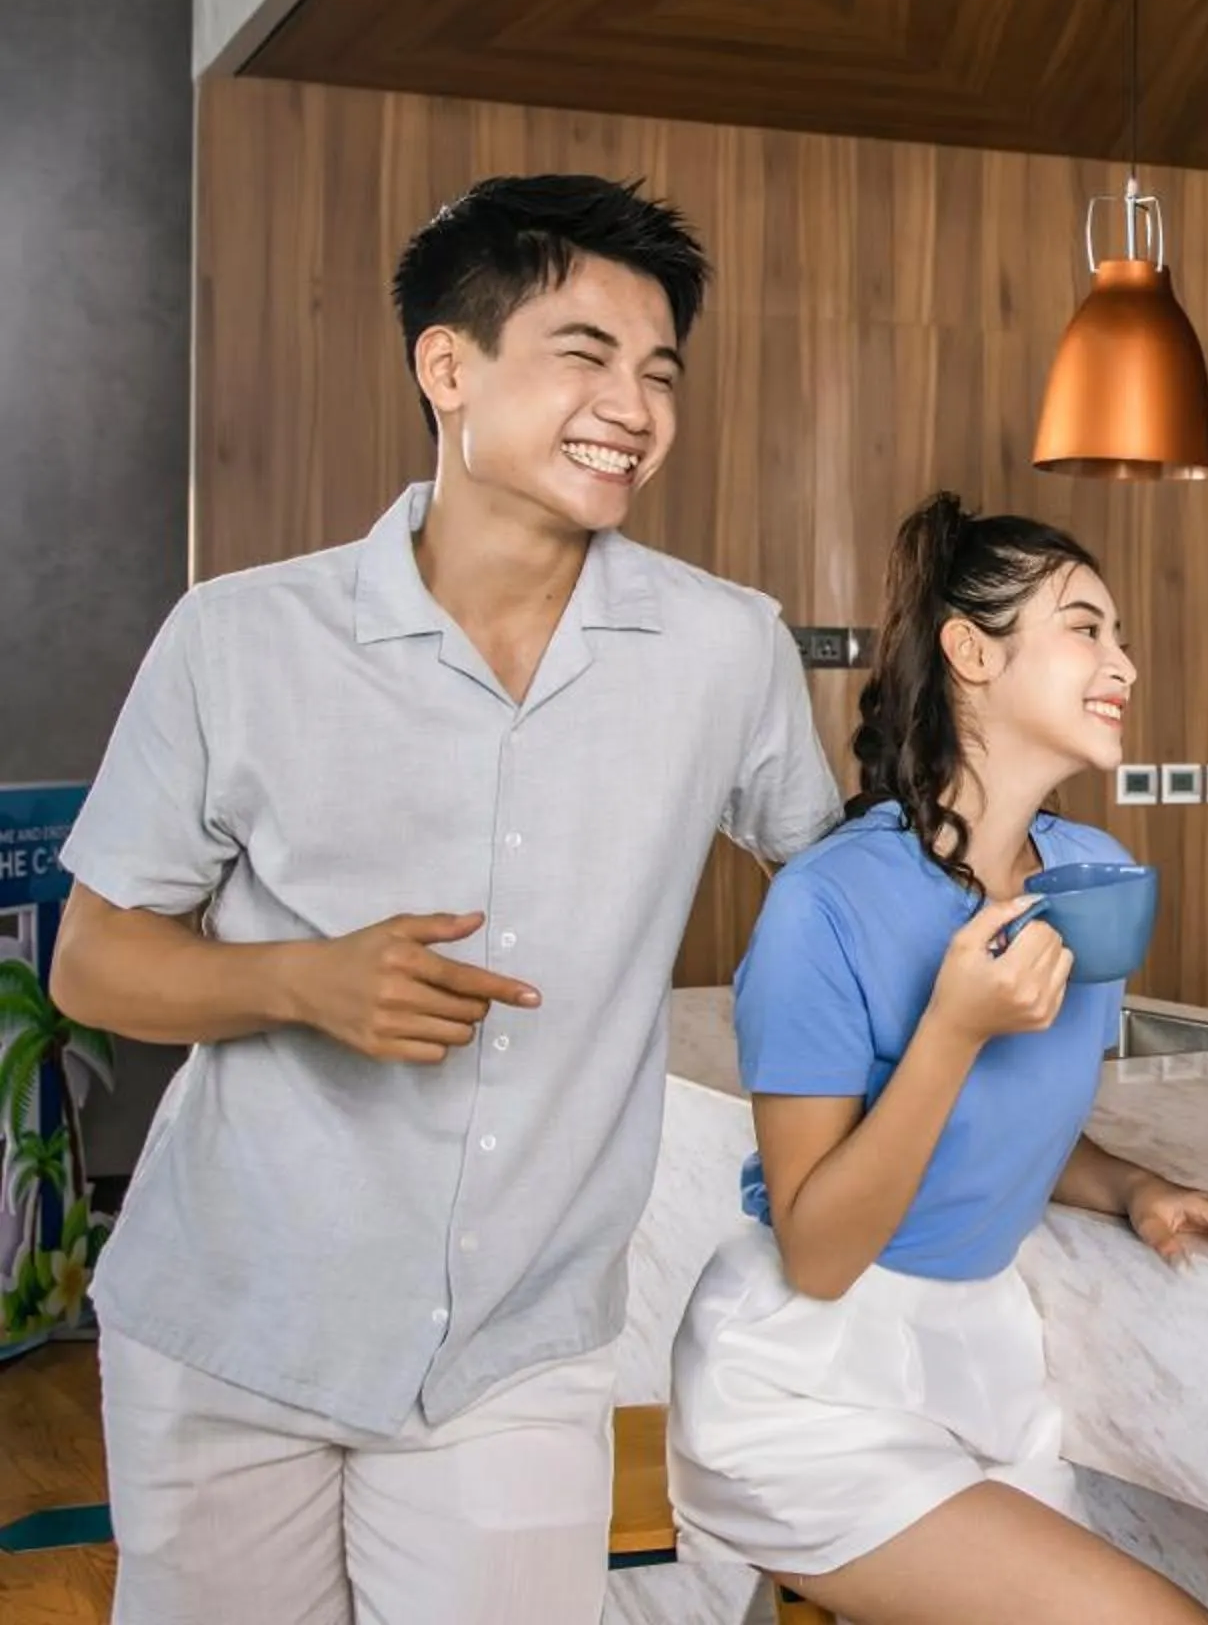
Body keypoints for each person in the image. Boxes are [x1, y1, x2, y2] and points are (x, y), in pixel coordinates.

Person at [50, 175, 846, 1623]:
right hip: (233, 1326)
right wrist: (296, 981)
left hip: (519, 1346)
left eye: (660, 370)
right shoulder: (240, 637)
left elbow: (846, 885)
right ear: (448, 366)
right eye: (585, 354)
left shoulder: (725, 649)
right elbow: (93, 965)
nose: (636, 405)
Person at [667, 497, 1208, 1625]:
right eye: (1086, 629)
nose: (1126, 662)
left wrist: (1139, 1188)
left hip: (979, 1363)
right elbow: (818, 1248)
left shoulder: (1092, 872)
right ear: (970, 652)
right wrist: (952, 1028)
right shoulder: (827, 905)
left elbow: (1012, 1123)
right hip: (811, 1388)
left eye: (1118, 635)